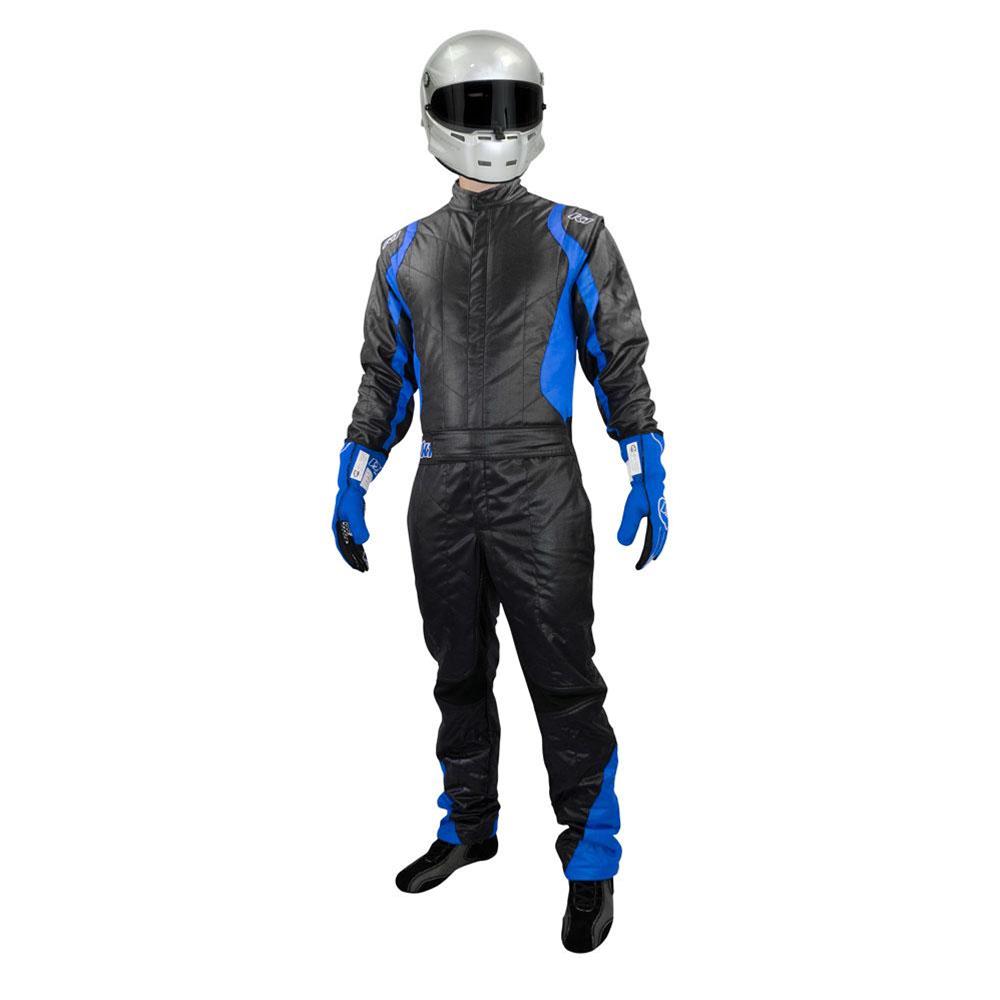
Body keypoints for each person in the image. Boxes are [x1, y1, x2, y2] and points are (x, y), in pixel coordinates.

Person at [332, 30, 667, 953]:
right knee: (457, 672)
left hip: (539, 485)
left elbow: (617, 355)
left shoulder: (575, 235)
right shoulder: (405, 252)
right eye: (475, 110)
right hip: (442, 486)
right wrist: (355, 470)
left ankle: (591, 857)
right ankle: (468, 825)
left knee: (562, 675)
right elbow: (385, 377)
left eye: (511, 110)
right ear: (434, 115)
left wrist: (645, 458)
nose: (494, 131)